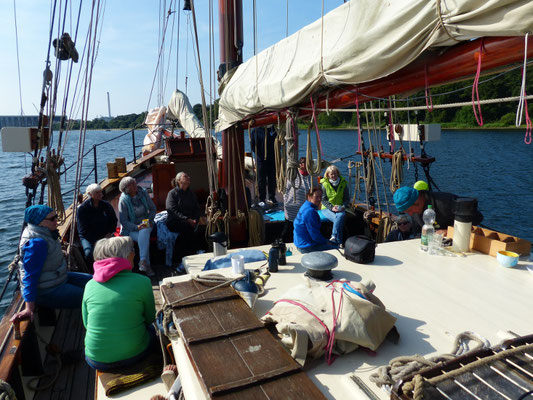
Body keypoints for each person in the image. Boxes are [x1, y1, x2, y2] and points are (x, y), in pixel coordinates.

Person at [82, 236, 157, 371]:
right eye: (132, 250)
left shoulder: (89, 285)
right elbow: (150, 318)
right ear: (126, 256)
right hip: (134, 355)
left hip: (96, 360)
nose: (135, 253)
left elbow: (86, 323)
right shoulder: (142, 281)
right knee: (153, 330)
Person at [11, 205, 92, 322]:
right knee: (93, 296)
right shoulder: (36, 243)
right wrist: (29, 308)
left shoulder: (45, 232)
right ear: (39, 222)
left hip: (57, 278)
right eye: (52, 219)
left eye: (56, 217)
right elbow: (30, 276)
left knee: (94, 281)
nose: (56, 221)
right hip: (47, 289)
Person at [393, 186, 483, 234]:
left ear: (417, 201)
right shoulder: (414, 212)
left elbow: (477, 217)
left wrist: (449, 231)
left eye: (410, 210)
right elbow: (417, 231)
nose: (410, 214)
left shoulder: (445, 202)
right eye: (407, 212)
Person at [118, 177, 157, 276]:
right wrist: (136, 227)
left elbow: (153, 209)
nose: (136, 185)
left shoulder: (143, 193)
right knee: (143, 239)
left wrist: (150, 220)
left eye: (135, 183)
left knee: (144, 231)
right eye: (132, 184)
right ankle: (146, 265)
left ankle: (143, 261)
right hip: (131, 228)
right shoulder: (123, 200)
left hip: (146, 224)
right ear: (126, 188)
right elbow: (124, 221)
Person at [77, 183, 118, 263]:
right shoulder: (83, 209)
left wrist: (109, 233)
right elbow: (83, 230)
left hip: (106, 234)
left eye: (100, 192)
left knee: (115, 250)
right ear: (90, 194)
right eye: (97, 192)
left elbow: (113, 221)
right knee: (89, 253)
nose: (100, 194)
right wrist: (97, 241)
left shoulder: (106, 205)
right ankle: (92, 271)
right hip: (88, 237)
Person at [166, 172, 202, 258]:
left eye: (188, 176)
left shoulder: (191, 194)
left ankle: (192, 253)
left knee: (201, 227)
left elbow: (197, 209)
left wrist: (195, 220)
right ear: (179, 180)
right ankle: (190, 253)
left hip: (190, 220)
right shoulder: (172, 193)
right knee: (186, 227)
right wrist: (186, 219)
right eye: (185, 176)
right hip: (175, 221)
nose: (188, 177)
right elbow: (171, 210)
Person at [281, 157, 315, 243]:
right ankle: (283, 243)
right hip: (291, 207)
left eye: (305, 163)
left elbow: (315, 191)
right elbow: (286, 189)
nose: (303, 164)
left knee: (303, 228)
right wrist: (286, 202)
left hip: (304, 208)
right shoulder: (293, 175)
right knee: (288, 229)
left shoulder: (312, 177)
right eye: (301, 163)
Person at [293, 188, 338, 254]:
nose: (319, 199)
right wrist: (326, 242)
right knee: (338, 249)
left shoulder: (304, 206)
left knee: (332, 243)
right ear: (309, 197)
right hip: (306, 247)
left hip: (300, 243)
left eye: (320, 196)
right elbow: (315, 236)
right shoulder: (310, 212)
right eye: (316, 197)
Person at [320, 165, 349, 247]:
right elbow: (323, 199)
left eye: (335, 174)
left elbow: (347, 199)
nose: (333, 176)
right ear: (328, 175)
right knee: (339, 218)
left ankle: (334, 238)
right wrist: (331, 207)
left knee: (340, 215)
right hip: (327, 209)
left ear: (338, 174)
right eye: (331, 174)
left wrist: (343, 206)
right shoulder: (324, 184)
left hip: (340, 208)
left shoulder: (343, 183)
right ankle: (338, 241)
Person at [250, 125, 277, 205]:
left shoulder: (273, 129)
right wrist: (259, 154)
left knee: (272, 178)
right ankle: (262, 198)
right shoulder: (255, 131)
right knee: (261, 179)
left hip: (272, 158)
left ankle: (272, 197)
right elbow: (253, 145)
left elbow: (278, 142)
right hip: (261, 159)